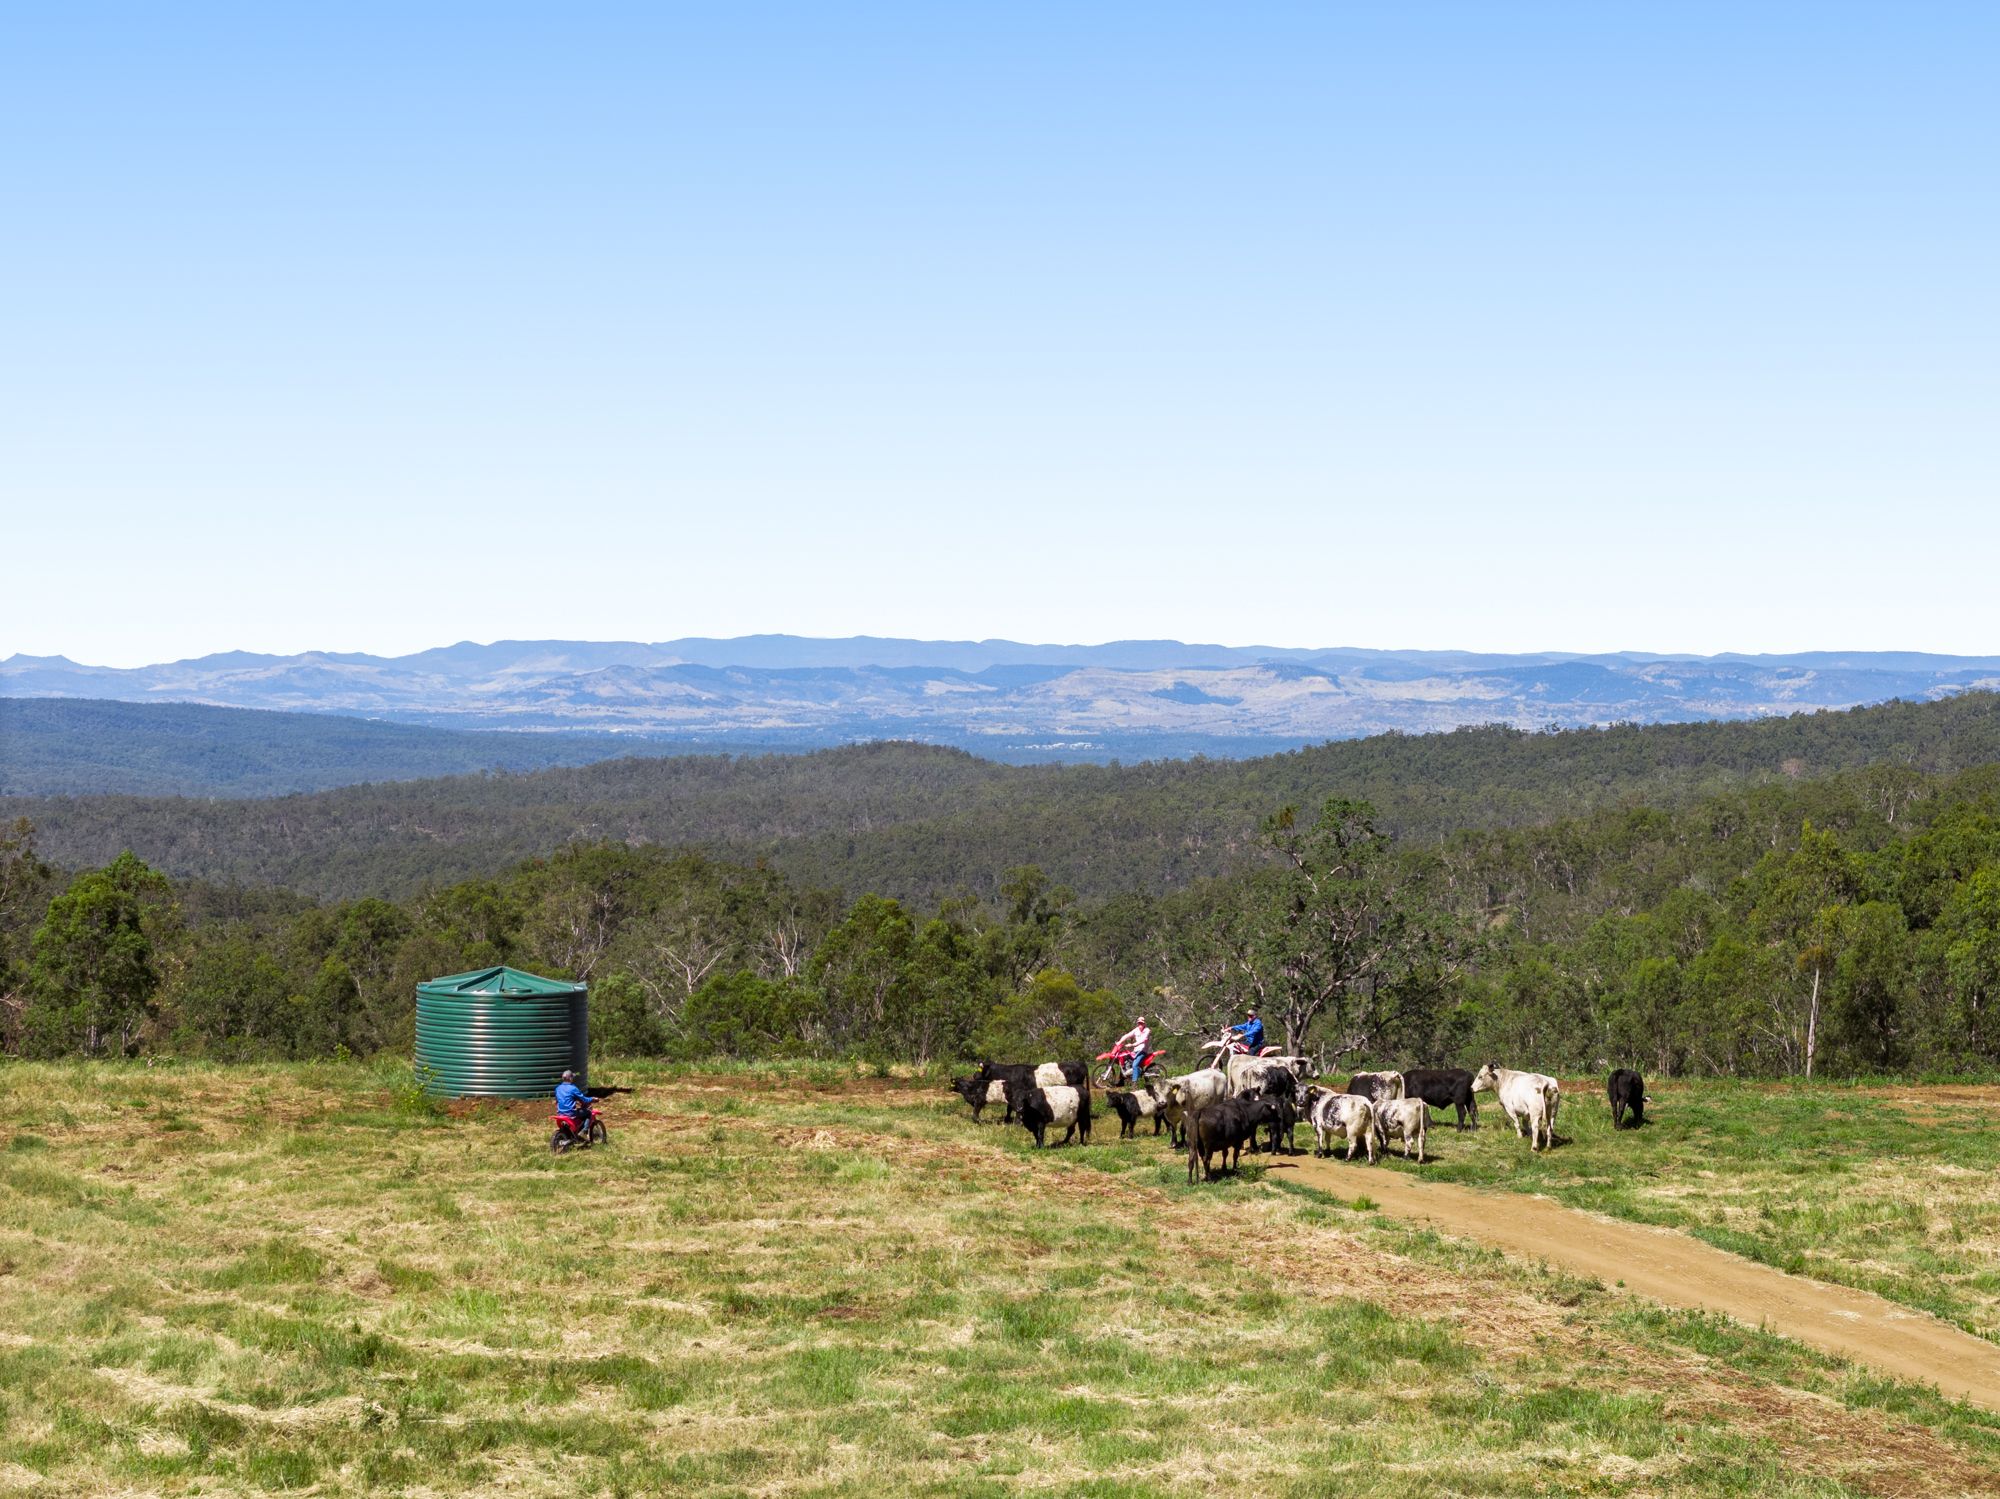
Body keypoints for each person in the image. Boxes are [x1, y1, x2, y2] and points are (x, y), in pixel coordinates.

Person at [1114, 1015, 1152, 1082]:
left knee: (1135, 1065)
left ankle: (1135, 1082)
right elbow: (1127, 1035)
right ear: (1137, 1023)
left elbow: (1142, 1040)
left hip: (1143, 1051)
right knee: (1124, 1061)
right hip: (1136, 1050)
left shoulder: (1147, 1030)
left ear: (1144, 1024)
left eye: (1141, 1023)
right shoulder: (1136, 1030)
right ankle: (1121, 1081)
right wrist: (1119, 1042)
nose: (1140, 1024)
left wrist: (1132, 1045)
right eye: (1139, 1023)